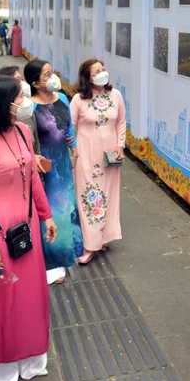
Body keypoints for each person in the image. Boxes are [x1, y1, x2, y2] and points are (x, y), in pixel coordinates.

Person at [0, 75, 58, 381]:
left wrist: (46, 215)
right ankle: (3, 366)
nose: (25, 101)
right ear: (2, 103)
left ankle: (31, 359)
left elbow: (33, 176)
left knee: (32, 295)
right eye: (19, 97)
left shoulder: (21, 130)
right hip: (0, 230)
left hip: (29, 224)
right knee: (4, 298)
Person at [24, 60, 83, 284]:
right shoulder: (30, 107)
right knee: (49, 211)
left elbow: (69, 129)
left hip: (63, 163)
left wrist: (74, 153)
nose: (53, 77)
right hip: (45, 167)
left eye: (52, 72)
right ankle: (51, 263)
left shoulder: (63, 99)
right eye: (47, 74)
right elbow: (28, 138)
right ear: (36, 83)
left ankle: (65, 255)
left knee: (67, 208)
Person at [69, 59, 126, 265]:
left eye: (103, 69)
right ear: (88, 77)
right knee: (89, 198)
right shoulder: (78, 100)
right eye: (97, 71)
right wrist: (72, 151)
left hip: (110, 156)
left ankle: (103, 238)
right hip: (87, 155)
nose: (102, 73)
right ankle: (90, 245)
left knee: (109, 196)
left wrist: (120, 145)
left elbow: (121, 122)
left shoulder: (116, 95)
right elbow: (70, 126)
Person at [0, 66, 41, 160]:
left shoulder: (28, 115)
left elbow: (36, 149)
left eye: (22, 79)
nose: (23, 84)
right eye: (18, 80)